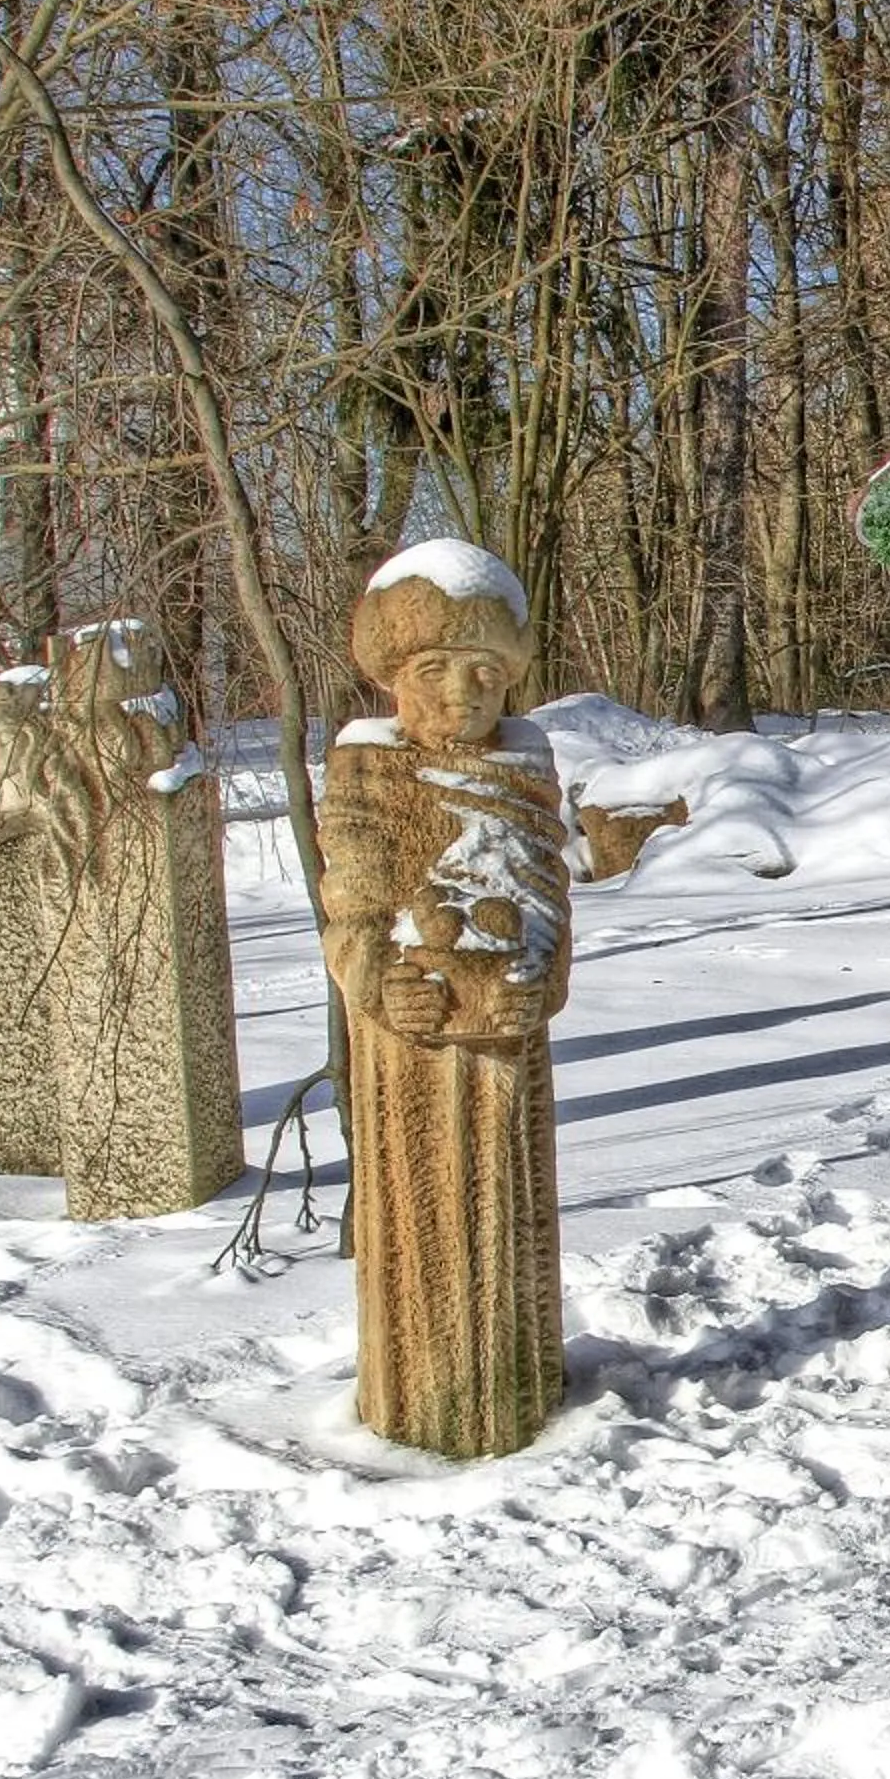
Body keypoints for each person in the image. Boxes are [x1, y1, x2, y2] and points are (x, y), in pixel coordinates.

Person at [321, 542, 571, 1455]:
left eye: (483, 671)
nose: (460, 693)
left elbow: (547, 898)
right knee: (424, 1236)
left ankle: (522, 1385)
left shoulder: (525, 769)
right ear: (395, 677)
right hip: (410, 1060)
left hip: (507, 1050)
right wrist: (375, 981)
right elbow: (349, 908)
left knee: (511, 1228)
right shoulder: (365, 770)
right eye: (434, 669)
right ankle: (422, 1400)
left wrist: (539, 983)